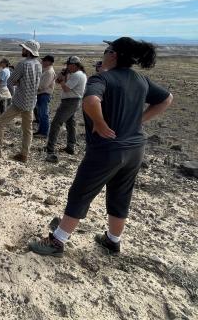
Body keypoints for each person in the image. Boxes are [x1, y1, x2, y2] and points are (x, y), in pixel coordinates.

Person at [29, 37, 172, 257]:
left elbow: (90, 101)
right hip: (135, 149)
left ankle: (57, 241)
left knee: (80, 192)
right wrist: (140, 120)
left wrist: (100, 122)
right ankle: (112, 241)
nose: (104, 54)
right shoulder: (141, 80)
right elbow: (166, 99)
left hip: (107, 149)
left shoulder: (103, 79)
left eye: (107, 50)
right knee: (121, 194)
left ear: (114, 55)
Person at [0, 40, 42, 162]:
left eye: (24, 48)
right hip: (31, 101)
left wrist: (19, 83)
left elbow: (10, 81)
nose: (22, 50)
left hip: (20, 100)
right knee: (27, 130)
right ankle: (24, 154)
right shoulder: (38, 64)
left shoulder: (23, 64)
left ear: (28, 50)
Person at [45, 56, 88, 162]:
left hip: (70, 102)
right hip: (72, 101)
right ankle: (70, 146)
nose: (67, 67)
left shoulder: (77, 75)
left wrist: (62, 80)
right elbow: (58, 80)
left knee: (56, 123)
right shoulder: (77, 74)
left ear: (74, 65)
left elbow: (66, 88)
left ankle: (50, 149)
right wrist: (62, 76)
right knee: (70, 124)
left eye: (68, 65)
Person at [34, 55, 56, 138]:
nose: (42, 62)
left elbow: (42, 85)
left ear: (49, 62)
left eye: (44, 61)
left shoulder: (49, 72)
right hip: (41, 94)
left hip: (44, 94)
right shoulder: (46, 71)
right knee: (41, 113)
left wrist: (34, 88)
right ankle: (41, 131)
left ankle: (44, 132)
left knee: (43, 114)